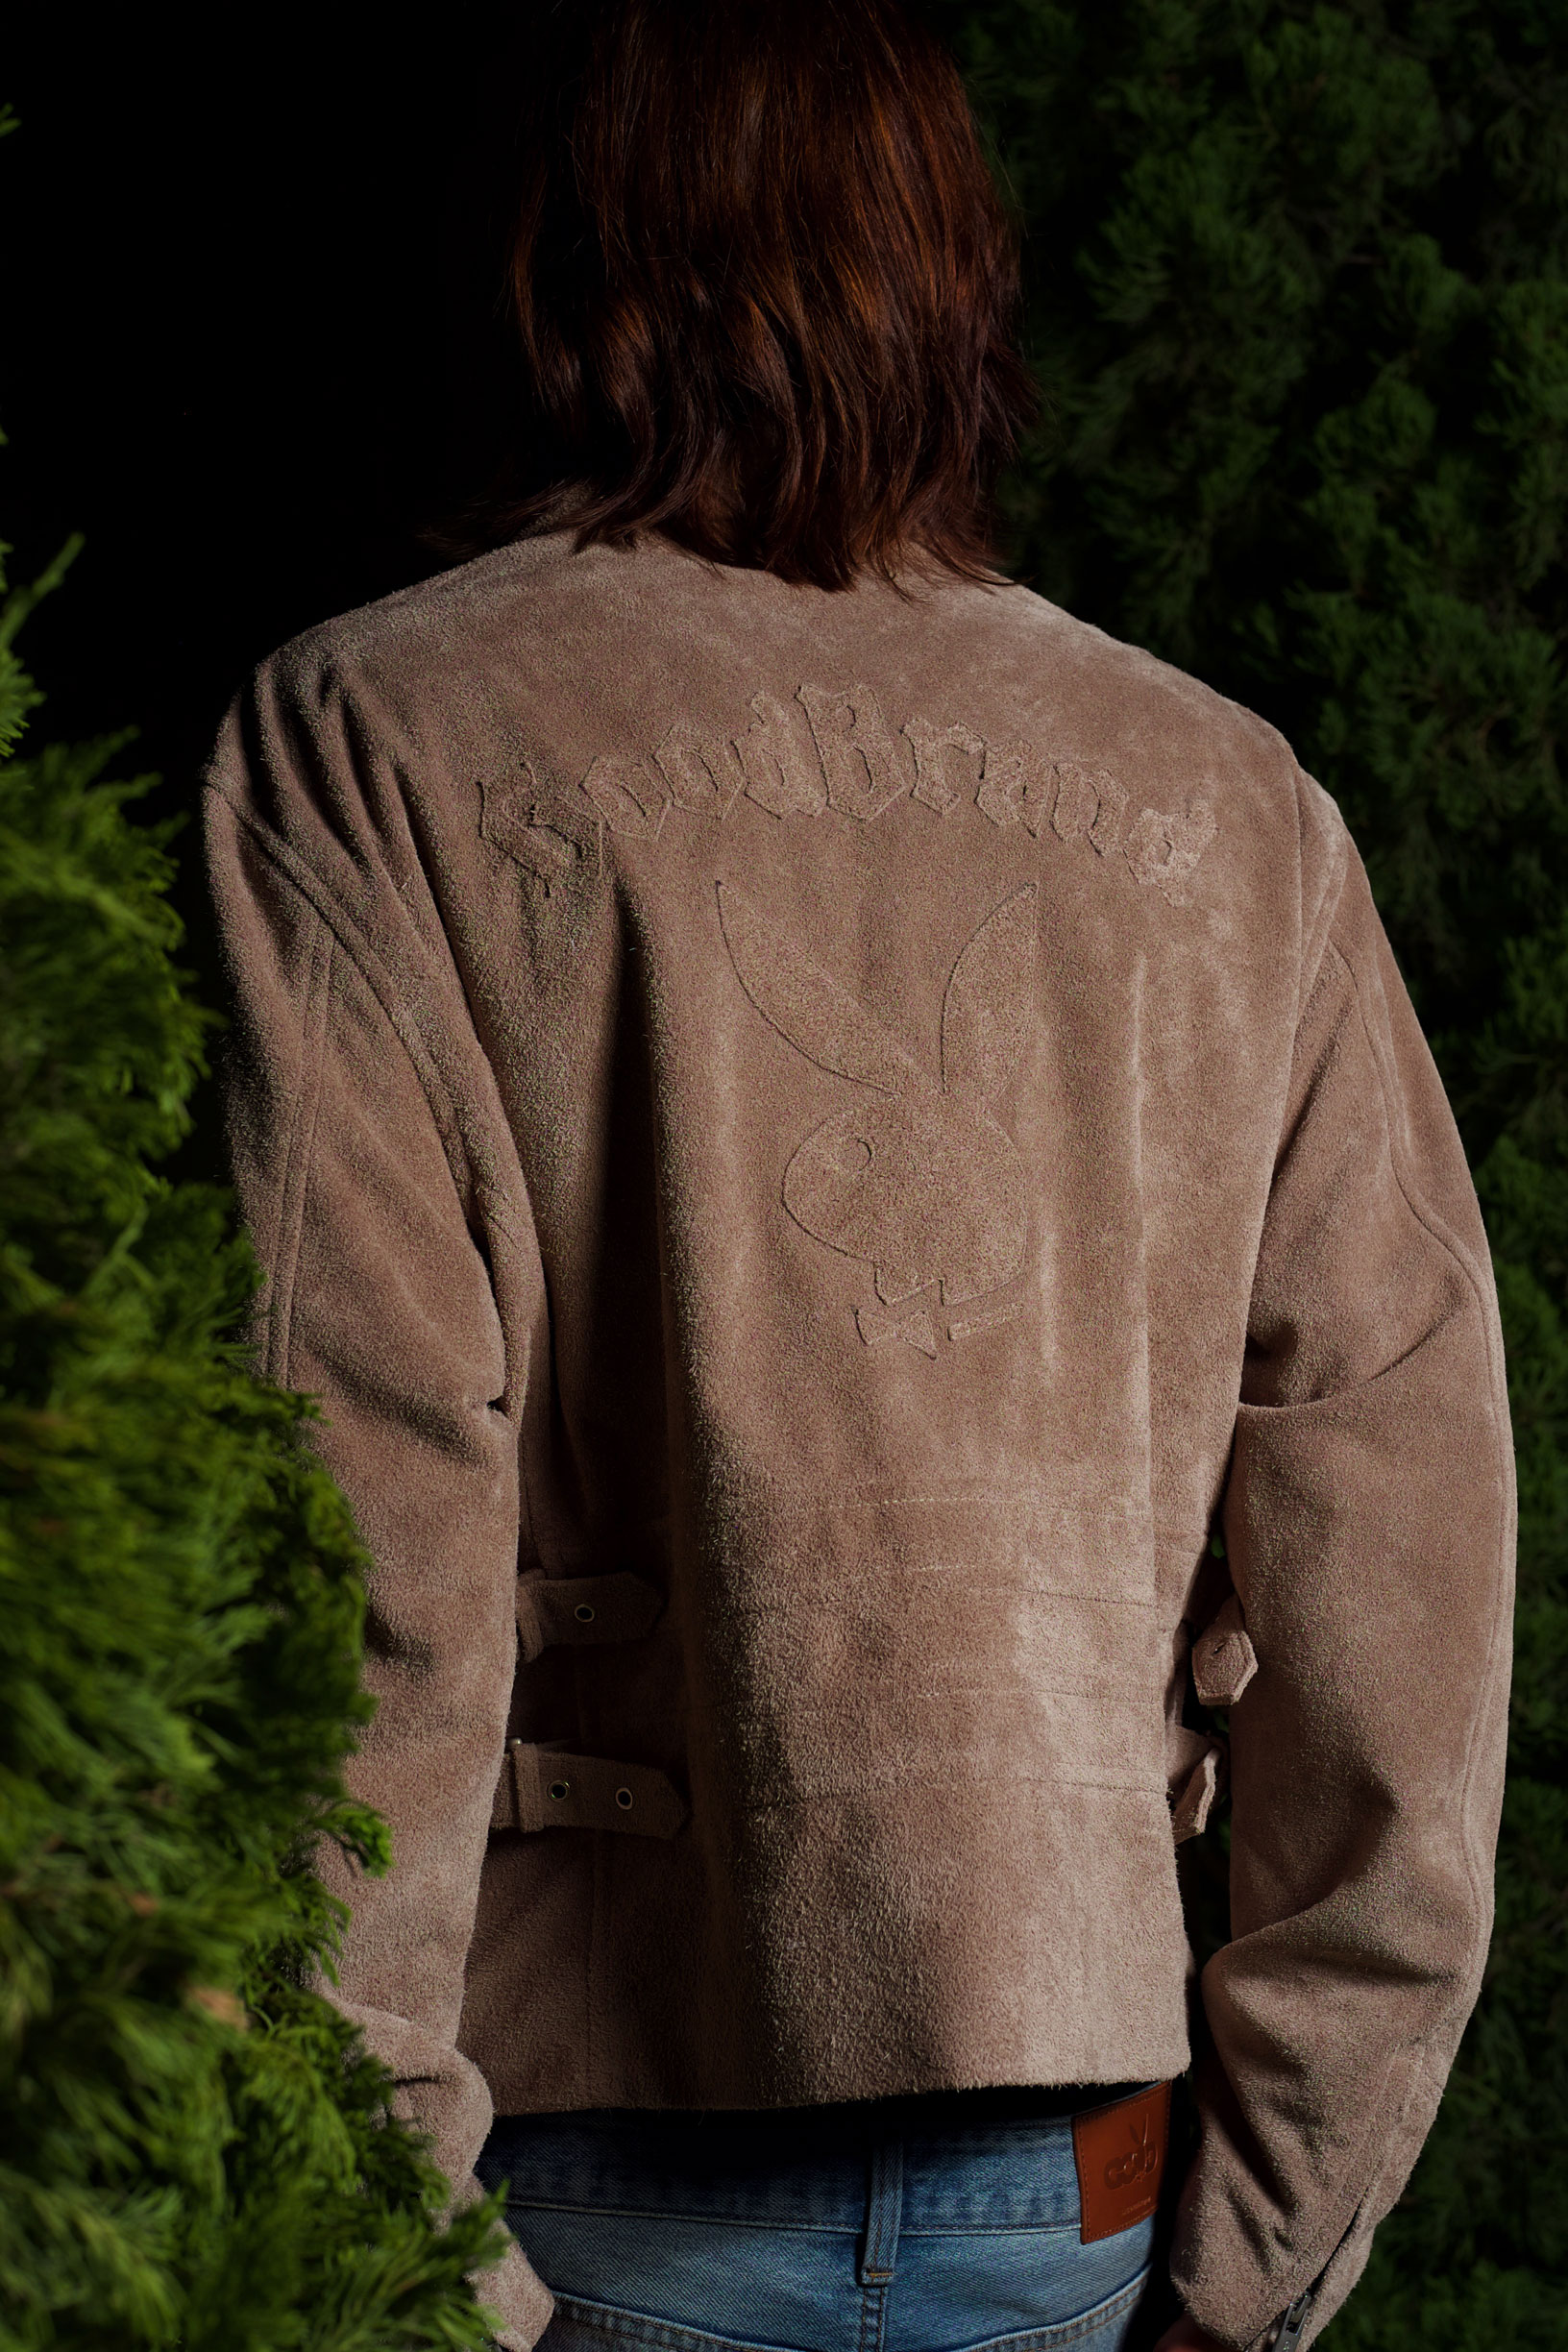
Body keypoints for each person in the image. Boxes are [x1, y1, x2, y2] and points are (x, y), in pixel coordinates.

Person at [204, 3, 1514, 2347]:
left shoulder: (378, 742)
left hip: (578, 2172)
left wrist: (399, 2242)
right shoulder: (1226, 804)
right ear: (953, 270)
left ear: (556, 252)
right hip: (1080, 2188)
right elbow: (1404, 1567)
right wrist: (1262, 2246)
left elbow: (341, 1537)